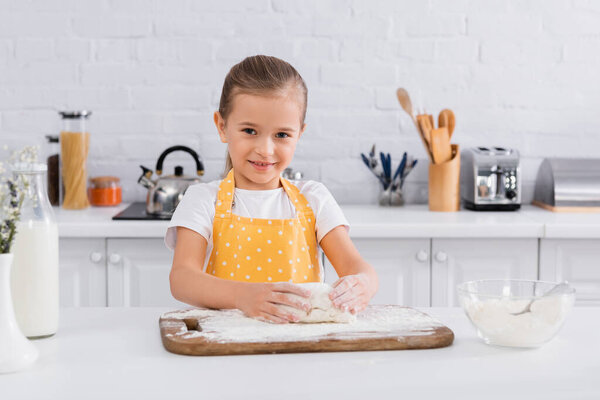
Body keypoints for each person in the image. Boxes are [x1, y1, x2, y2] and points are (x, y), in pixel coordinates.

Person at [165, 55, 378, 324]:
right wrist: (243, 296)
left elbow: (357, 267)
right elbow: (182, 278)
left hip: (301, 349)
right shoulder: (204, 199)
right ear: (222, 127)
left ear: (299, 134)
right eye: (250, 131)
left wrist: (362, 285)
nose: (265, 150)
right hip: (225, 348)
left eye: (281, 135)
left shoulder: (314, 198)